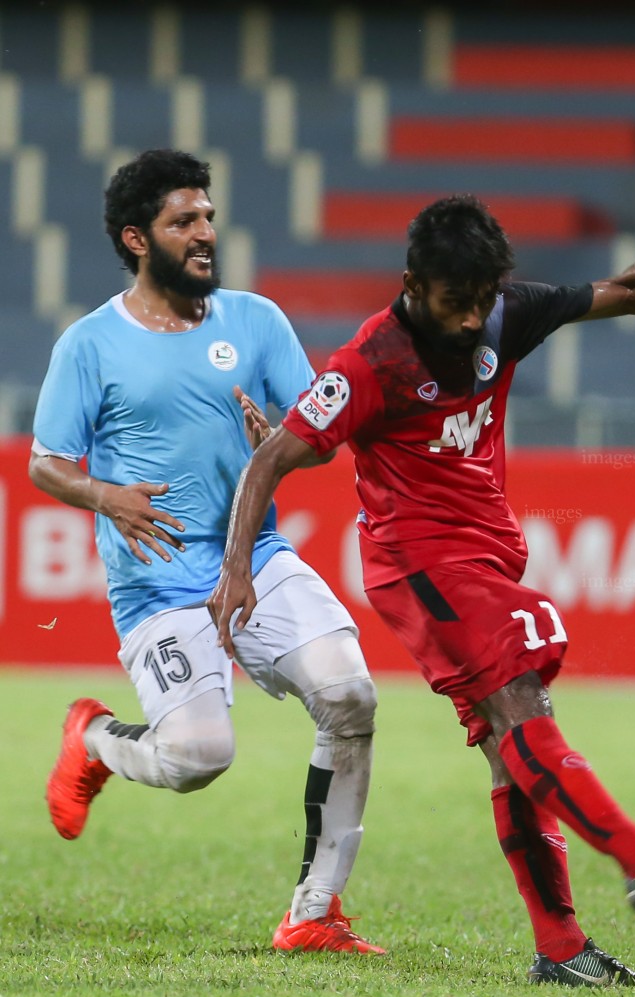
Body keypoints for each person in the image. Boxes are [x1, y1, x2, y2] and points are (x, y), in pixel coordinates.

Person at [210, 181, 635, 986]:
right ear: (412, 288)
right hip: (421, 567)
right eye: (453, 303)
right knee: (521, 706)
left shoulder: (505, 313)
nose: (472, 319)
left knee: (516, 753)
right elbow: (271, 460)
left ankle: (562, 952)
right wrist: (237, 572)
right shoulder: (371, 363)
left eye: (480, 299)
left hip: (482, 558)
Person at [31, 149, 384, 954]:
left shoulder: (256, 320)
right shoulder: (90, 344)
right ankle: (92, 739)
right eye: (182, 221)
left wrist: (285, 444)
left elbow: (317, 436)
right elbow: (44, 461)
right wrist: (104, 495)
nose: (205, 234)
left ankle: (314, 912)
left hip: (253, 554)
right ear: (135, 239)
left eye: (207, 217)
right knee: (196, 757)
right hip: (156, 585)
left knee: (351, 694)